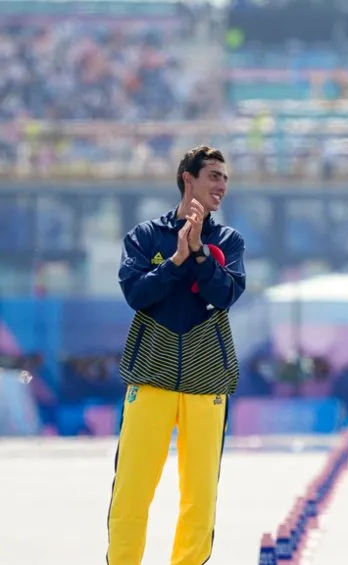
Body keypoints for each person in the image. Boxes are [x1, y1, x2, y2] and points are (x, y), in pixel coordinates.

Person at [106, 145, 247, 565]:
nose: (221, 185)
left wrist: (201, 252)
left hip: (207, 382)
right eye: (213, 176)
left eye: (224, 178)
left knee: (199, 496)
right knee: (132, 489)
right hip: (150, 378)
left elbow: (226, 294)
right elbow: (136, 294)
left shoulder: (228, 240)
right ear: (188, 178)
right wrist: (177, 258)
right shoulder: (145, 236)